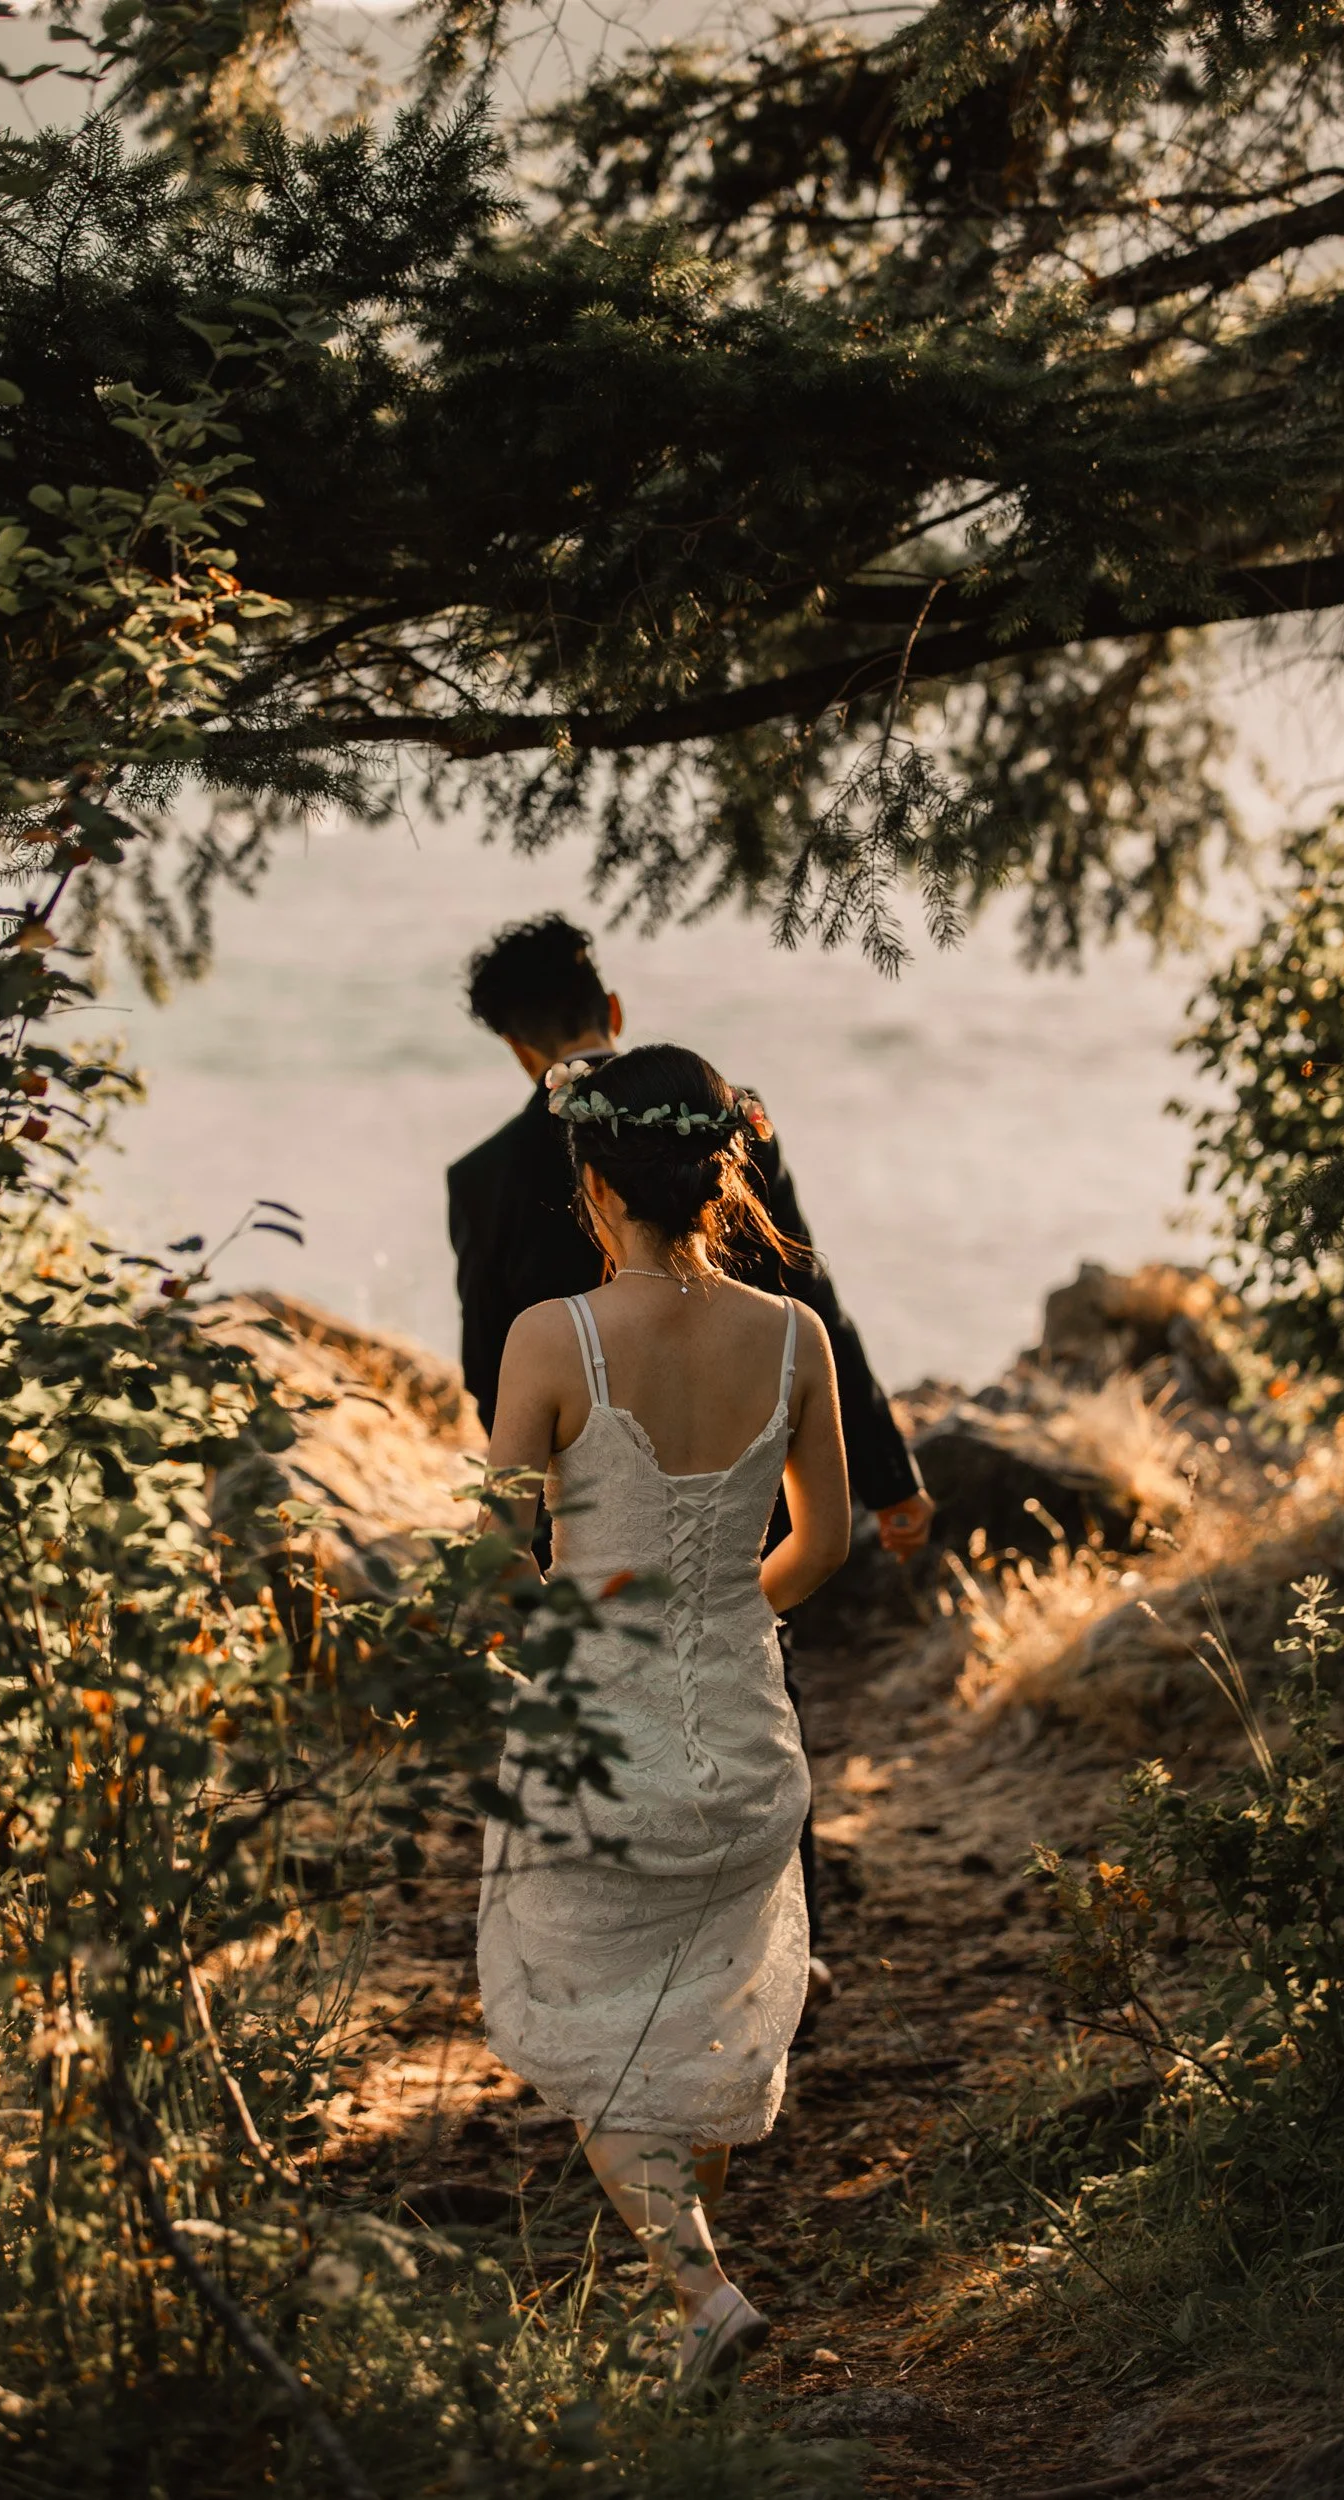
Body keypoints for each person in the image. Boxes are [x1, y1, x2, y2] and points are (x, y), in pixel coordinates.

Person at [447, 914, 933, 1979]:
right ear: (608, 1007)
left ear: (513, 1045)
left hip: (578, 1519)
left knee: (597, 1828)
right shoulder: (717, 1120)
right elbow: (810, 1297)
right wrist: (888, 1473)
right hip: (729, 1520)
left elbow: (492, 1372)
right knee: (748, 1709)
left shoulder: (482, 1176)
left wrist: (536, 1596)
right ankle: (772, 1957)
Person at [477, 1044, 853, 2381]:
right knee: (684, 2010)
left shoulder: (551, 1338)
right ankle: (687, 2271)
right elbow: (822, 1544)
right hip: (744, 1747)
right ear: (719, 1171)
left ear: (592, 1178)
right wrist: (719, 1610)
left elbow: (488, 1558)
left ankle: (699, 2295)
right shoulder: (793, 1336)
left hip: (597, 1739)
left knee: (585, 2025)